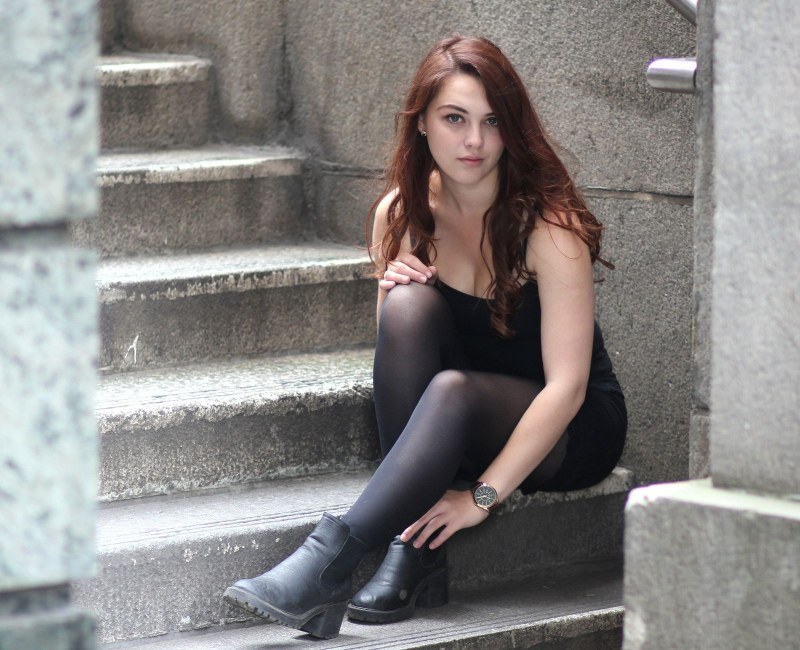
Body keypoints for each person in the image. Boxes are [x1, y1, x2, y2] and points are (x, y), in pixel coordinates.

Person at [223, 35, 627, 640]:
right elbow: (396, 358)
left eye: (492, 122)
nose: (474, 141)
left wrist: (481, 498)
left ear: (511, 128)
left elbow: (566, 388)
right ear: (421, 123)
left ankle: (333, 563)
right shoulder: (402, 213)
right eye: (454, 119)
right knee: (409, 306)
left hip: (567, 429)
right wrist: (392, 290)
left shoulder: (550, 227)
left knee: (452, 390)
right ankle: (414, 551)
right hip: (453, 417)